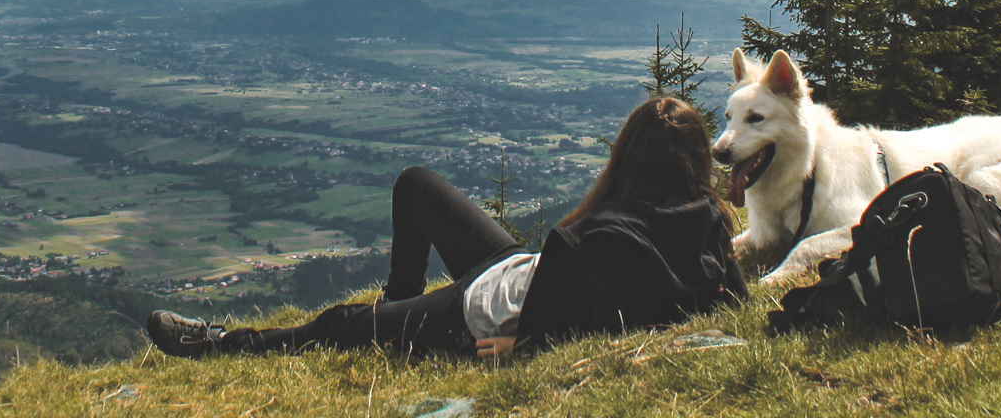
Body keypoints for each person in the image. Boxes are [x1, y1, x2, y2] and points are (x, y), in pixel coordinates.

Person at [146, 96, 747, 360]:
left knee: (342, 324)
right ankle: (400, 307)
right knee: (414, 185)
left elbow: (604, 320)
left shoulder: (610, 236)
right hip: (514, 274)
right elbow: (724, 298)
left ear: (627, 159)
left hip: (484, 310)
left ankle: (222, 344)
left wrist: (524, 347)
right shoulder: (708, 222)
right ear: (695, 163)